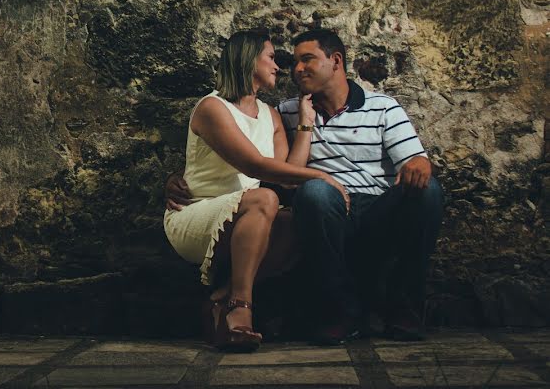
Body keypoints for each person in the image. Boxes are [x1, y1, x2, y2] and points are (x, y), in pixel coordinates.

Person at [167, 28, 443, 345]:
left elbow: (415, 162)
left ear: (335, 61)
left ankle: (404, 309)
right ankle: (337, 312)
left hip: (377, 210)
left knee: (429, 191)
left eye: (306, 59)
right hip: (326, 211)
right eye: (287, 60)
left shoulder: (383, 107)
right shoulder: (286, 112)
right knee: (311, 194)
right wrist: (178, 177)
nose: (294, 70)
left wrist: (420, 163)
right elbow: (247, 158)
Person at [163, 30, 348, 351]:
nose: (280, 67)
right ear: (249, 59)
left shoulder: (270, 115)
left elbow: (287, 174)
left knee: (299, 218)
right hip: (194, 215)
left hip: (251, 214)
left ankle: (221, 298)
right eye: (272, 57)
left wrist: (306, 124)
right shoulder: (212, 107)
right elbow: (255, 167)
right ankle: (241, 308)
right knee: (265, 198)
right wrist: (322, 177)